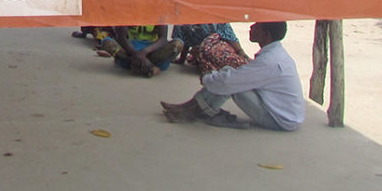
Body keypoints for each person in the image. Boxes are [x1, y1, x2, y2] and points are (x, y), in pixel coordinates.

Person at [161, 21, 304, 131]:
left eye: (257, 26)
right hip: (283, 113)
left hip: (279, 120)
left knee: (230, 82)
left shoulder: (269, 61)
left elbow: (231, 81)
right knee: (228, 75)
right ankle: (191, 107)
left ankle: (193, 110)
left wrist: (207, 79)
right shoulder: (274, 54)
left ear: (267, 35)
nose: (251, 27)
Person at [105, 25, 181, 77]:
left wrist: (144, 52)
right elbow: (122, 38)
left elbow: (163, 39)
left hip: (152, 51)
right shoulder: (126, 11)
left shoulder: (158, 12)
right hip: (131, 51)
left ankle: (138, 66)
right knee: (107, 42)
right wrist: (137, 54)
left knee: (178, 44)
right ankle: (150, 67)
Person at [172, 23, 249, 74]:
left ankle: (244, 66)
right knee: (206, 51)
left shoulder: (213, 13)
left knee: (213, 52)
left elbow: (228, 36)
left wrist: (241, 52)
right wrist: (182, 58)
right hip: (202, 53)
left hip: (218, 47)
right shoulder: (183, 16)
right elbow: (184, 39)